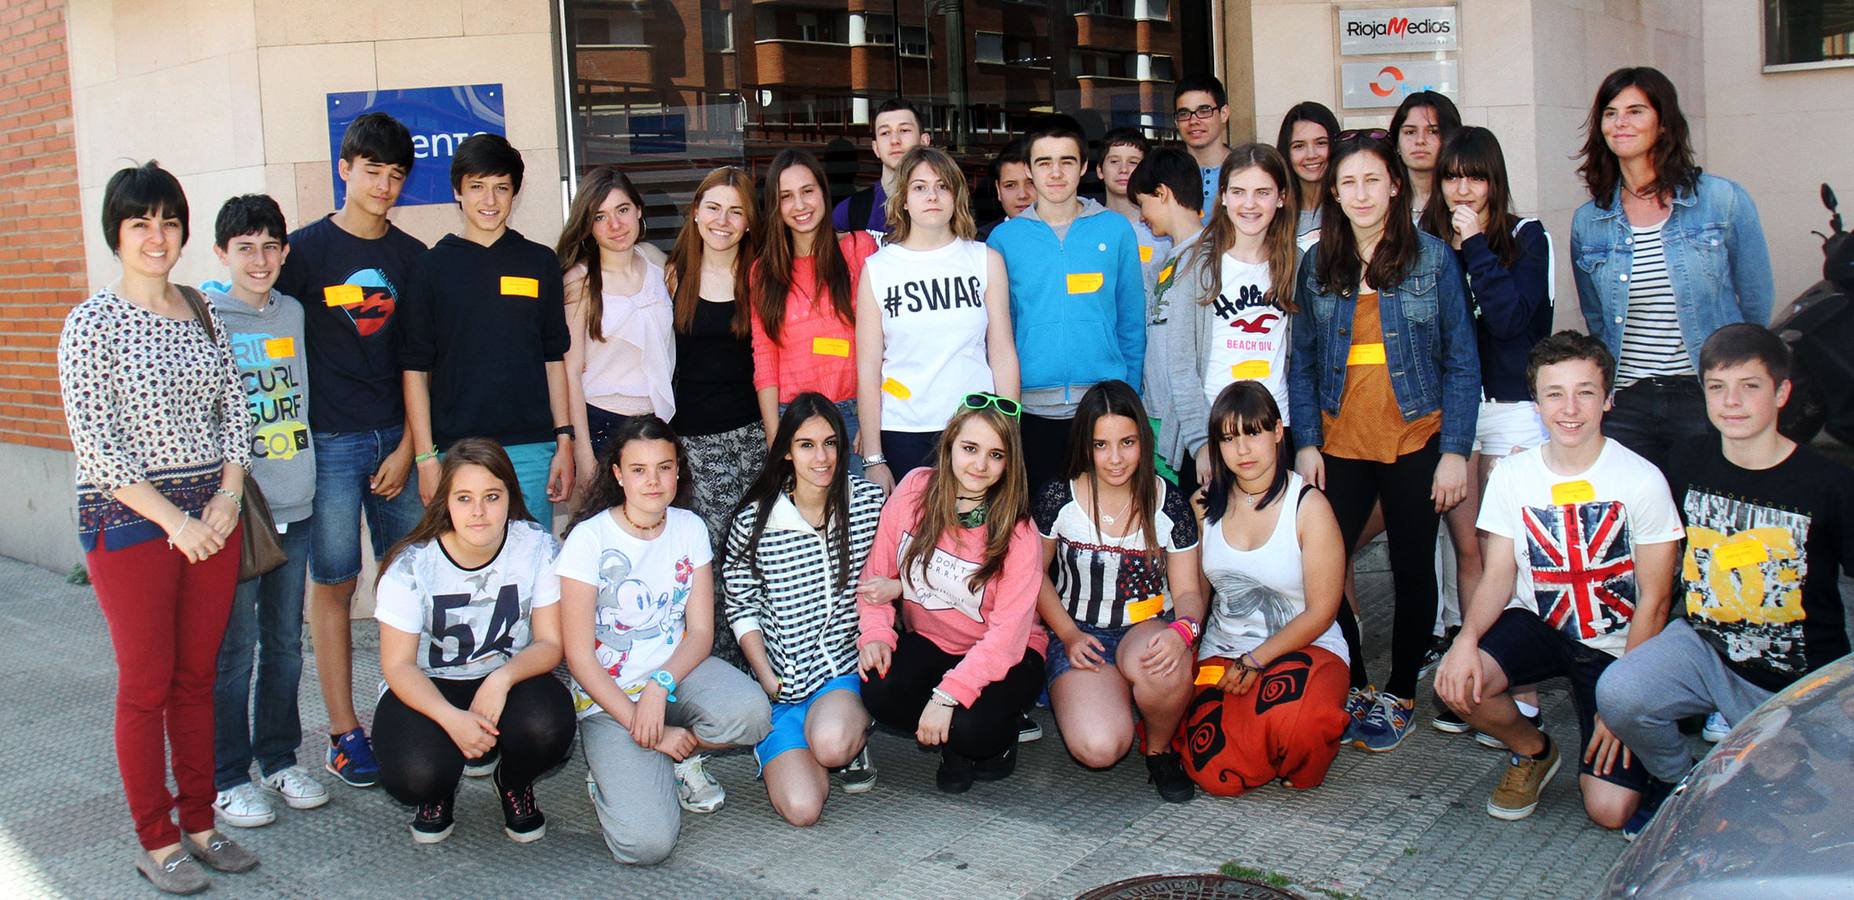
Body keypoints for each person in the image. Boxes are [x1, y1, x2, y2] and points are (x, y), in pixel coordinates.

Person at [59, 161, 256, 892]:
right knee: (146, 684)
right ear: (117, 231)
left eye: (169, 221)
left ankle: (201, 824)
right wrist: (177, 521)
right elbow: (96, 446)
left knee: (196, 678)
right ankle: (157, 838)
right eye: (141, 222)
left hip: (213, 516)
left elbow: (235, 411)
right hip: (134, 522)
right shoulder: (91, 323)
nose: (157, 236)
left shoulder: (204, 312)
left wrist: (228, 500)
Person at [1598, 324, 1854, 808]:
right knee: (1620, 692)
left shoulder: (1830, 483)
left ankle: (1767, 761)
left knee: (1817, 805)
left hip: (1801, 675)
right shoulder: (1688, 459)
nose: (1731, 402)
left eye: (1749, 386)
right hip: (1705, 649)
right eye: (1717, 387)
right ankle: (1685, 788)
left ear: (1781, 393)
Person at [1435, 331, 1681, 829]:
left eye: (1585, 392)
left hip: (1616, 647)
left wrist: (1625, 701)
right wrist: (1466, 638)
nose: (1570, 408)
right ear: (1536, 402)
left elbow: (1655, 602)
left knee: (1609, 812)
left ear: (1608, 399)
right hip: (1542, 624)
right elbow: (1498, 574)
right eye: (1555, 393)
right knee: (1456, 683)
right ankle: (1533, 750)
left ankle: (1653, 745)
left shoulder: (1642, 479)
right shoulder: (1513, 474)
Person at [1288, 132, 1480, 752]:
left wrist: (1455, 449)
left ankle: (1399, 692)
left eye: (1373, 180)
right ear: (1334, 193)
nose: (1361, 193)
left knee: (1412, 566)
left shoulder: (1432, 259)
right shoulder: (1318, 263)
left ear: (1395, 185)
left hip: (1416, 438)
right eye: (1348, 183)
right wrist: (1307, 442)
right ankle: (1358, 683)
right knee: (1325, 565)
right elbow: (1303, 361)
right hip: (1339, 442)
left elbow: (1461, 362)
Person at [274, 111, 427, 791]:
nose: (385, 185)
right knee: (333, 582)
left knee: (408, 581)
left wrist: (410, 447)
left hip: (397, 442)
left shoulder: (413, 260)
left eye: (396, 175)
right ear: (345, 169)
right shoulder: (302, 253)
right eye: (373, 171)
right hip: (330, 444)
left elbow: (423, 363)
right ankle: (344, 731)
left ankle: (411, 717)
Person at [558, 416, 772, 865]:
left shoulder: (689, 527)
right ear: (617, 474)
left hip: (675, 674)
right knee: (645, 847)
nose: (653, 481)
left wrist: (659, 686)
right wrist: (642, 723)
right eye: (638, 469)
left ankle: (674, 758)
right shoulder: (589, 539)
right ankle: (629, 764)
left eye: (664, 467)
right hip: (609, 697)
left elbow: (700, 633)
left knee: (752, 715)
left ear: (679, 470)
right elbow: (578, 656)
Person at [370, 439, 576, 844]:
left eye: (491, 496)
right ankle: (439, 789)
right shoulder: (411, 566)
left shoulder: (536, 546)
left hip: (508, 679)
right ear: (445, 502)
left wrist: (500, 681)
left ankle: (513, 781)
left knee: (549, 723)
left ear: (509, 497)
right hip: (429, 686)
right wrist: (452, 719)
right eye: (464, 498)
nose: (479, 511)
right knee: (415, 775)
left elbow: (551, 644)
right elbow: (398, 666)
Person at [1419, 127, 1555, 738]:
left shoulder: (1526, 238)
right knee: (1469, 548)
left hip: (1512, 411)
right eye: (1452, 176)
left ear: (1494, 179)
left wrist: (1474, 244)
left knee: (1514, 554)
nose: (1462, 188)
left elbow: (1509, 322)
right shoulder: (1426, 245)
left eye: (1474, 176)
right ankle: (1474, 676)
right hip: (1455, 411)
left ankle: (1521, 688)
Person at [1571, 66, 1774, 475]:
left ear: (1663, 125)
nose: (1620, 122)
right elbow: (1597, 318)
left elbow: (1755, 304)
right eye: (1610, 113)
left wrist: (1736, 385)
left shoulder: (1722, 201)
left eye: (1635, 111)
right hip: (1627, 401)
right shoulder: (1589, 221)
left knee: (1706, 522)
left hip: (1704, 396)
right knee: (1638, 525)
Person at [205, 195, 329, 829]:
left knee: (285, 643)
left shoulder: (296, 313)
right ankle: (227, 777)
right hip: (237, 512)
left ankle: (279, 759)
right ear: (222, 253)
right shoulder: (203, 318)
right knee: (236, 649)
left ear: (285, 252)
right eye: (244, 247)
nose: (259, 259)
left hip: (297, 500)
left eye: (270, 246)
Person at [857, 396, 1047, 792]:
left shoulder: (1019, 532)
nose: (980, 465)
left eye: (995, 455)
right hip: (933, 638)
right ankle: (951, 733)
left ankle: (980, 739)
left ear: (1010, 463)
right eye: (970, 449)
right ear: (949, 446)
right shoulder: (913, 490)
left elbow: (1005, 639)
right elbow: (877, 575)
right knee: (878, 686)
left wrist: (946, 697)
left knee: (975, 729)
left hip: (1007, 654)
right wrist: (876, 634)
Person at [1034, 381, 1203, 802]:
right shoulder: (1059, 497)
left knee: (1163, 665)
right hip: (1080, 634)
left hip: (1146, 627)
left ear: (1143, 440)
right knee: (1100, 748)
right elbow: (1032, 575)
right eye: (1101, 444)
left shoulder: (1170, 505)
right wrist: (1068, 636)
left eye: (1126, 442)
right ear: (1085, 446)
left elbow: (1189, 593)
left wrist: (1182, 632)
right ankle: (1108, 696)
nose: (1115, 458)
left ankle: (1160, 748)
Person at [1179, 381, 1350, 796]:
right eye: (1229, 438)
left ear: (1277, 431)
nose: (1243, 450)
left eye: (1253, 433)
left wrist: (1256, 661)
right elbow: (1195, 597)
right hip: (1224, 652)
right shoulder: (1202, 505)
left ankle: (1294, 745)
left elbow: (1322, 610)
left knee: (1298, 723)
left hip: (1306, 650)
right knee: (1211, 768)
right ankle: (1259, 744)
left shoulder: (1309, 506)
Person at [722, 395, 887, 825]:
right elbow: (741, 606)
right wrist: (764, 675)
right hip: (783, 689)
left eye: (831, 443)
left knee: (830, 743)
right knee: (802, 810)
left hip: (843, 674)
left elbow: (914, 566)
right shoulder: (755, 521)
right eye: (807, 444)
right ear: (787, 452)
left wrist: (894, 588)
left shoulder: (868, 504)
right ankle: (808, 747)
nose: (822, 457)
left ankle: (849, 738)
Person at [401, 134, 575, 525]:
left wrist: (563, 441)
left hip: (531, 449)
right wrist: (426, 458)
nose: (490, 200)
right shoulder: (430, 268)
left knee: (532, 569)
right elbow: (415, 369)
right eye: (477, 187)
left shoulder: (539, 262)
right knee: (467, 570)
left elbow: (553, 358)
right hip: (456, 452)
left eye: (501, 188)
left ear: (515, 192)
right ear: (457, 192)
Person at [988, 115, 1146, 492]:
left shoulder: (1115, 229)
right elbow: (998, 330)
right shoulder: (1004, 239)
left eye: (1067, 161)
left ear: (1085, 167)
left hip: (1102, 408)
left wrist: (1130, 399)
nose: (1055, 173)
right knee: (1039, 524)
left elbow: (1131, 322)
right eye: (1044, 162)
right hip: (1030, 410)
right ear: (1029, 169)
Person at [856, 145, 1020, 487]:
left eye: (942, 185)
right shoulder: (878, 269)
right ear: (903, 198)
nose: (932, 195)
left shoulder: (984, 259)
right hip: (904, 431)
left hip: (977, 427)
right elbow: (868, 366)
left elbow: (1002, 353)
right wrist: (873, 456)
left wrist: (1010, 433)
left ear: (956, 194)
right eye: (919, 187)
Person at [665, 166, 764, 668]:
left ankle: (764, 663)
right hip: (692, 445)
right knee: (709, 559)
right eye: (713, 207)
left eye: (735, 210)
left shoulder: (762, 276)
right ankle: (719, 669)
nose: (722, 220)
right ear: (696, 212)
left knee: (755, 555)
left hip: (753, 438)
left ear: (749, 221)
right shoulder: (669, 274)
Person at [1162, 143, 1300, 489]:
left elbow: (1302, 357)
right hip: (1213, 430)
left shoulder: (1295, 263)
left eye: (1262, 192)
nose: (1249, 204)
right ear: (1222, 196)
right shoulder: (1197, 265)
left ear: (1281, 197)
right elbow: (1180, 364)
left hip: (1275, 429)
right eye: (1238, 191)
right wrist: (1200, 442)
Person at [752, 149, 879, 474]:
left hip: (854, 416)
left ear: (823, 191)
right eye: (786, 196)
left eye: (808, 191)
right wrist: (774, 437)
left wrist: (871, 419)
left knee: (859, 521)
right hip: (793, 421)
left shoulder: (859, 248)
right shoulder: (763, 271)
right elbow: (765, 358)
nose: (800, 205)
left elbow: (884, 340)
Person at [558, 165, 674, 473]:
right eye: (600, 216)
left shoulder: (656, 261)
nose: (615, 224)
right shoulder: (579, 281)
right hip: (601, 424)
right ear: (589, 225)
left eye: (622, 209)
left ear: (638, 210)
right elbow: (570, 371)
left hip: (657, 423)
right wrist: (581, 450)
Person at [1125, 146, 1209, 490]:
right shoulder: (1170, 258)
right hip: (1158, 415)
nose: (1142, 215)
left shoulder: (1208, 256)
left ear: (1162, 193)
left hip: (1186, 423)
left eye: (1142, 202)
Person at [832, 97, 932, 237]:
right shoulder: (850, 211)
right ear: (876, 148)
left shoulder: (941, 205)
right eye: (885, 133)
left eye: (904, 130)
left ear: (924, 141)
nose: (895, 140)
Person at [1096, 127, 1171, 293]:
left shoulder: (1162, 231)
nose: (1123, 169)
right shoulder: (1087, 225)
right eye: (1114, 161)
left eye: (1133, 162)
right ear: (1100, 170)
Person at [1275, 101, 1340, 250]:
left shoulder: (1352, 206)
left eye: (1321, 143)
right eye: (1299, 146)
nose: (1311, 155)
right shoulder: (1273, 211)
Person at [1388, 91, 1461, 217]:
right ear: (1397, 143)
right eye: (1410, 132)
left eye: (1433, 131)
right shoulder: (1384, 202)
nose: (1420, 140)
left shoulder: (1465, 198)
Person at [1172, 75, 1233, 223]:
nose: (1193, 121)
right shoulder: (1166, 175)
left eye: (1204, 111)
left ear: (1224, 114)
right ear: (1176, 122)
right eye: (1184, 114)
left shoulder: (1245, 168)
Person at [977, 138, 1034, 240]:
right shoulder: (985, 241)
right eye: (1010, 185)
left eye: (1031, 183)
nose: (1022, 195)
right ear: (998, 190)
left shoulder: (1066, 236)